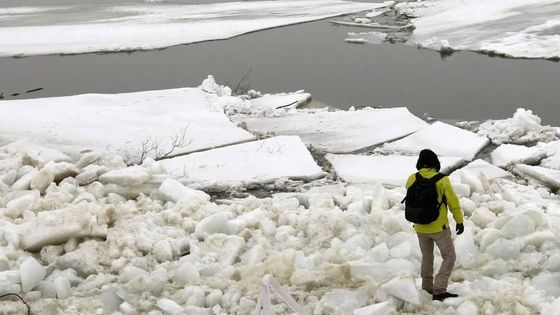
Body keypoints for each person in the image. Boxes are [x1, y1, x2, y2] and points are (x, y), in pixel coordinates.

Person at [405, 149, 464, 301]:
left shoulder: (412, 178)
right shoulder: (442, 180)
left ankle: (427, 288)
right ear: (435, 162)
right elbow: (453, 203)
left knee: (427, 257)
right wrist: (459, 221)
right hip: (439, 228)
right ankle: (439, 289)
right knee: (449, 257)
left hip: (419, 227)